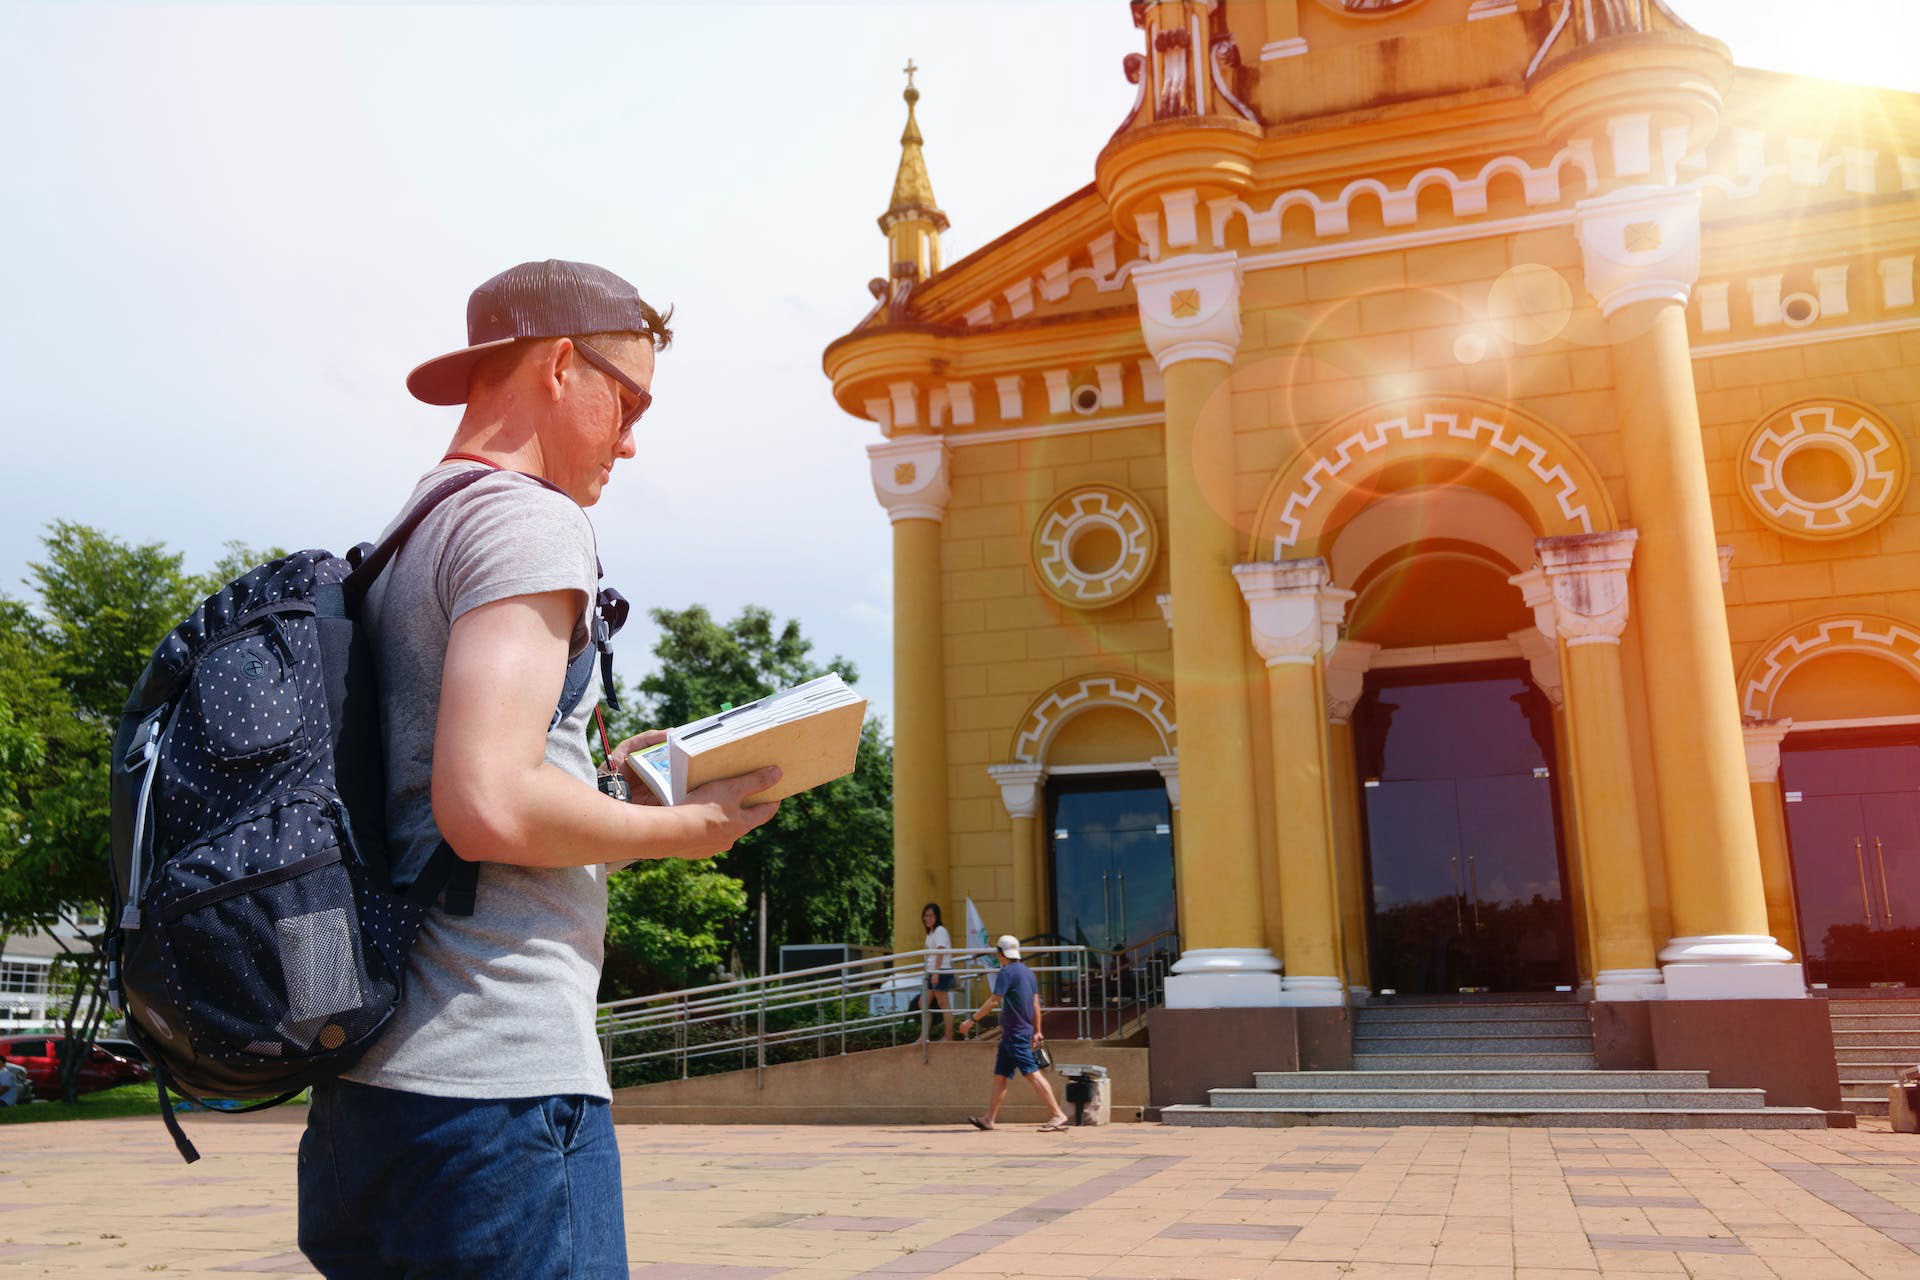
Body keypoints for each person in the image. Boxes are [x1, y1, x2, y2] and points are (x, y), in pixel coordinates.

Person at [297, 260, 782, 1279]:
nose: (635, 435)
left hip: (369, 1101)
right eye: (630, 399)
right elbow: (487, 801)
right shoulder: (529, 518)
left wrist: (610, 776)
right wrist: (689, 830)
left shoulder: (407, 531)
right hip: (496, 1087)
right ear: (563, 366)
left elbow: (449, 779)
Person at [958, 935, 1070, 1132]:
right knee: (1000, 1076)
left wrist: (971, 1021)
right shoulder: (1028, 973)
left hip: (1016, 1034)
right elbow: (1035, 1004)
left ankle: (1057, 1114)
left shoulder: (1006, 973)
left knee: (1032, 1074)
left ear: (1000, 953)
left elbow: (994, 1001)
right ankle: (989, 1119)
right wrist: (1038, 1031)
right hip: (1014, 1034)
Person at [919, 901, 956, 1042]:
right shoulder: (930, 933)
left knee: (943, 1003)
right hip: (932, 972)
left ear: (937, 917)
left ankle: (948, 1036)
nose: (927, 918)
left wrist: (936, 972)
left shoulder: (940, 930)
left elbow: (940, 951)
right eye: (925, 915)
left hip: (941, 971)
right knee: (923, 1003)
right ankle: (924, 1036)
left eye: (931, 915)